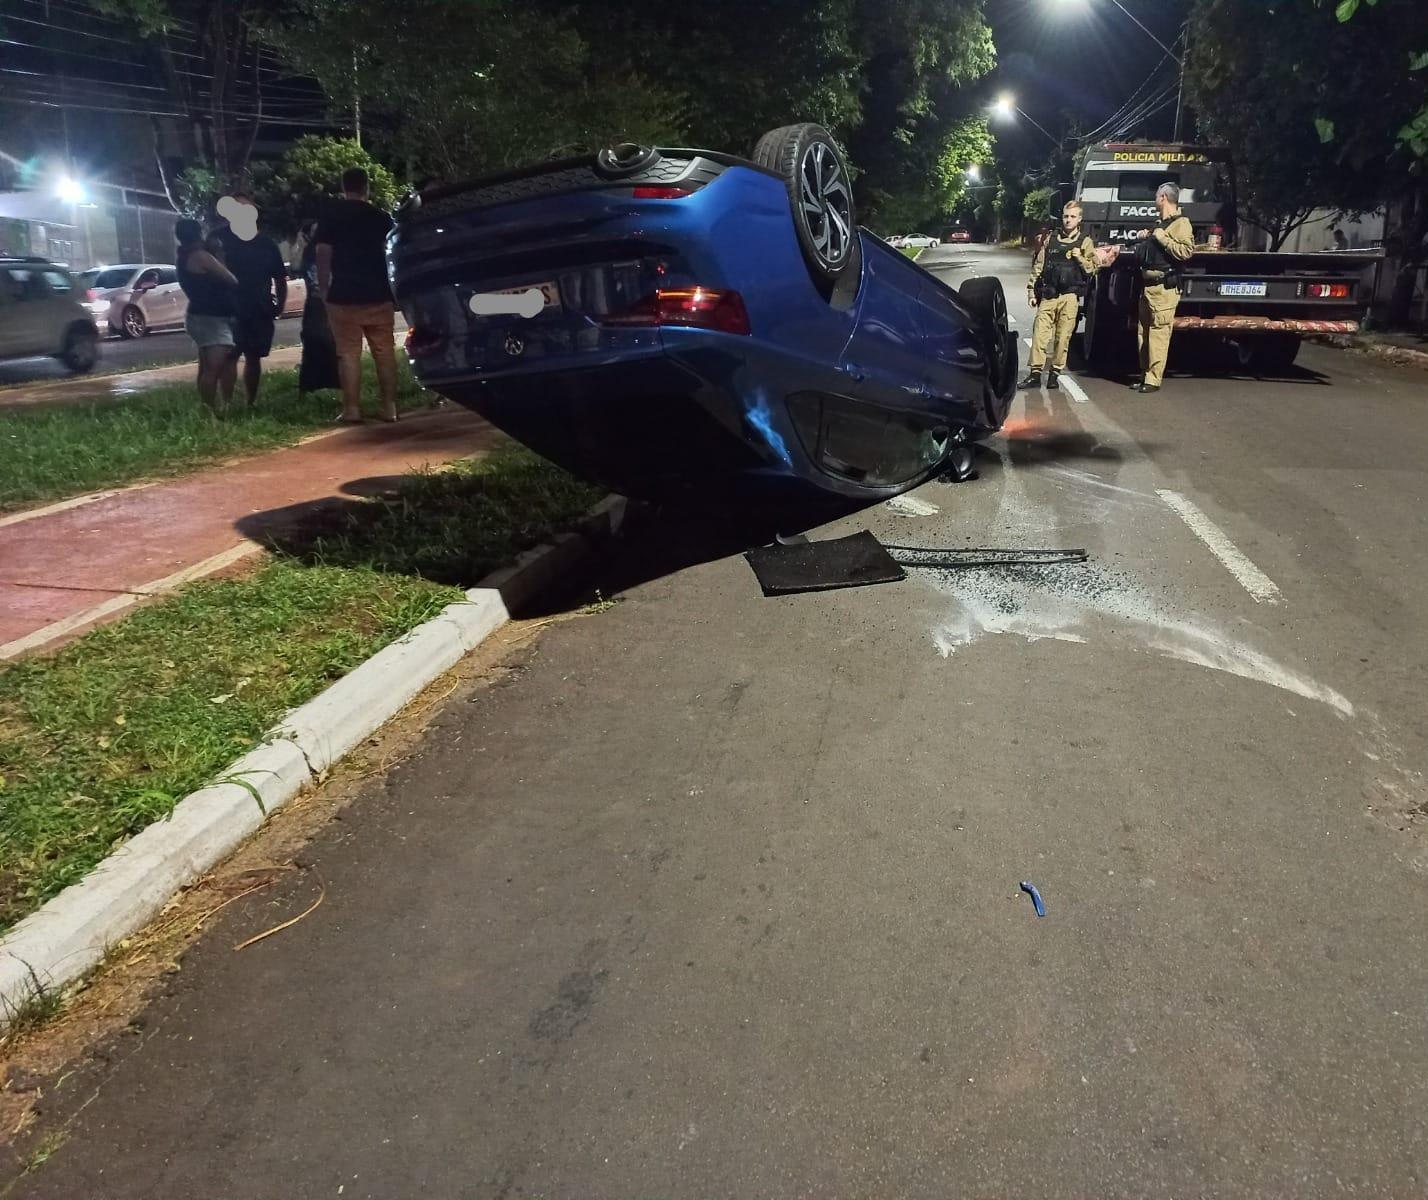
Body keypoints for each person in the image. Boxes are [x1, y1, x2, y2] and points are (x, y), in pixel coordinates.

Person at [315, 167, 397, 424]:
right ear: (367, 187)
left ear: (343, 187)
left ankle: (351, 409)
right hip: (379, 293)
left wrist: (324, 286)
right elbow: (393, 250)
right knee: (384, 352)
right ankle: (389, 408)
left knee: (348, 354)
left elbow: (322, 252)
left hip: (344, 294)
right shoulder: (381, 217)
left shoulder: (331, 216)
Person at [215, 194, 287, 408]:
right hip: (228, 309)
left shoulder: (266, 244)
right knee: (229, 356)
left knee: (253, 356)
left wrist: (280, 305)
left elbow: (280, 278)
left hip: (259, 308)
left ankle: (250, 402)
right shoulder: (217, 239)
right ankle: (226, 404)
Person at [1018, 200, 1097, 391]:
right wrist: (1031, 291)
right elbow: (1039, 266)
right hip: (1049, 294)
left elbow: (1092, 269)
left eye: (1072, 217)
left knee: (1062, 338)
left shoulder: (1085, 242)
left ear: (1079, 219)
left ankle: (1055, 373)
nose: (1068, 220)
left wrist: (1079, 257)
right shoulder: (1051, 239)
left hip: (1069, 297)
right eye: (1065, 216)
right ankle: (1035, 374)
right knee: (1039, 335)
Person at [1129, 181, 1195, 394]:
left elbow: (1186, 252)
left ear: (1163, 198)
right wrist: (1147, 237)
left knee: (1158, 335)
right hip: (1147, 288)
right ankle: (1144, 375)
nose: (1154, 200)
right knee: (1144, 334)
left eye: (1156, 196)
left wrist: (1162, 238)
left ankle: (1153, 380)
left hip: (1163, 289)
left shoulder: (1181, 223)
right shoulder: (1161, 223)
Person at [175, 217, 239, 416]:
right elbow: (231, 278)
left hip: (204, 316)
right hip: (209, 318)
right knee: (214, 367)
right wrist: (218, 253)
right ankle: (209, 410)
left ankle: (217, 407)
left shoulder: (185, 255)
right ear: (197, 233)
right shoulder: (200, 256)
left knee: (210, 365)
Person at [296, 220, 341, 398]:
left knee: (332, 345)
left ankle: (339, 386)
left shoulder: (329, 250)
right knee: (315, 345)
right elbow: (296, 266)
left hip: (327, 303)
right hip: (316, 304)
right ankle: (310, 387)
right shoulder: (308, 252)